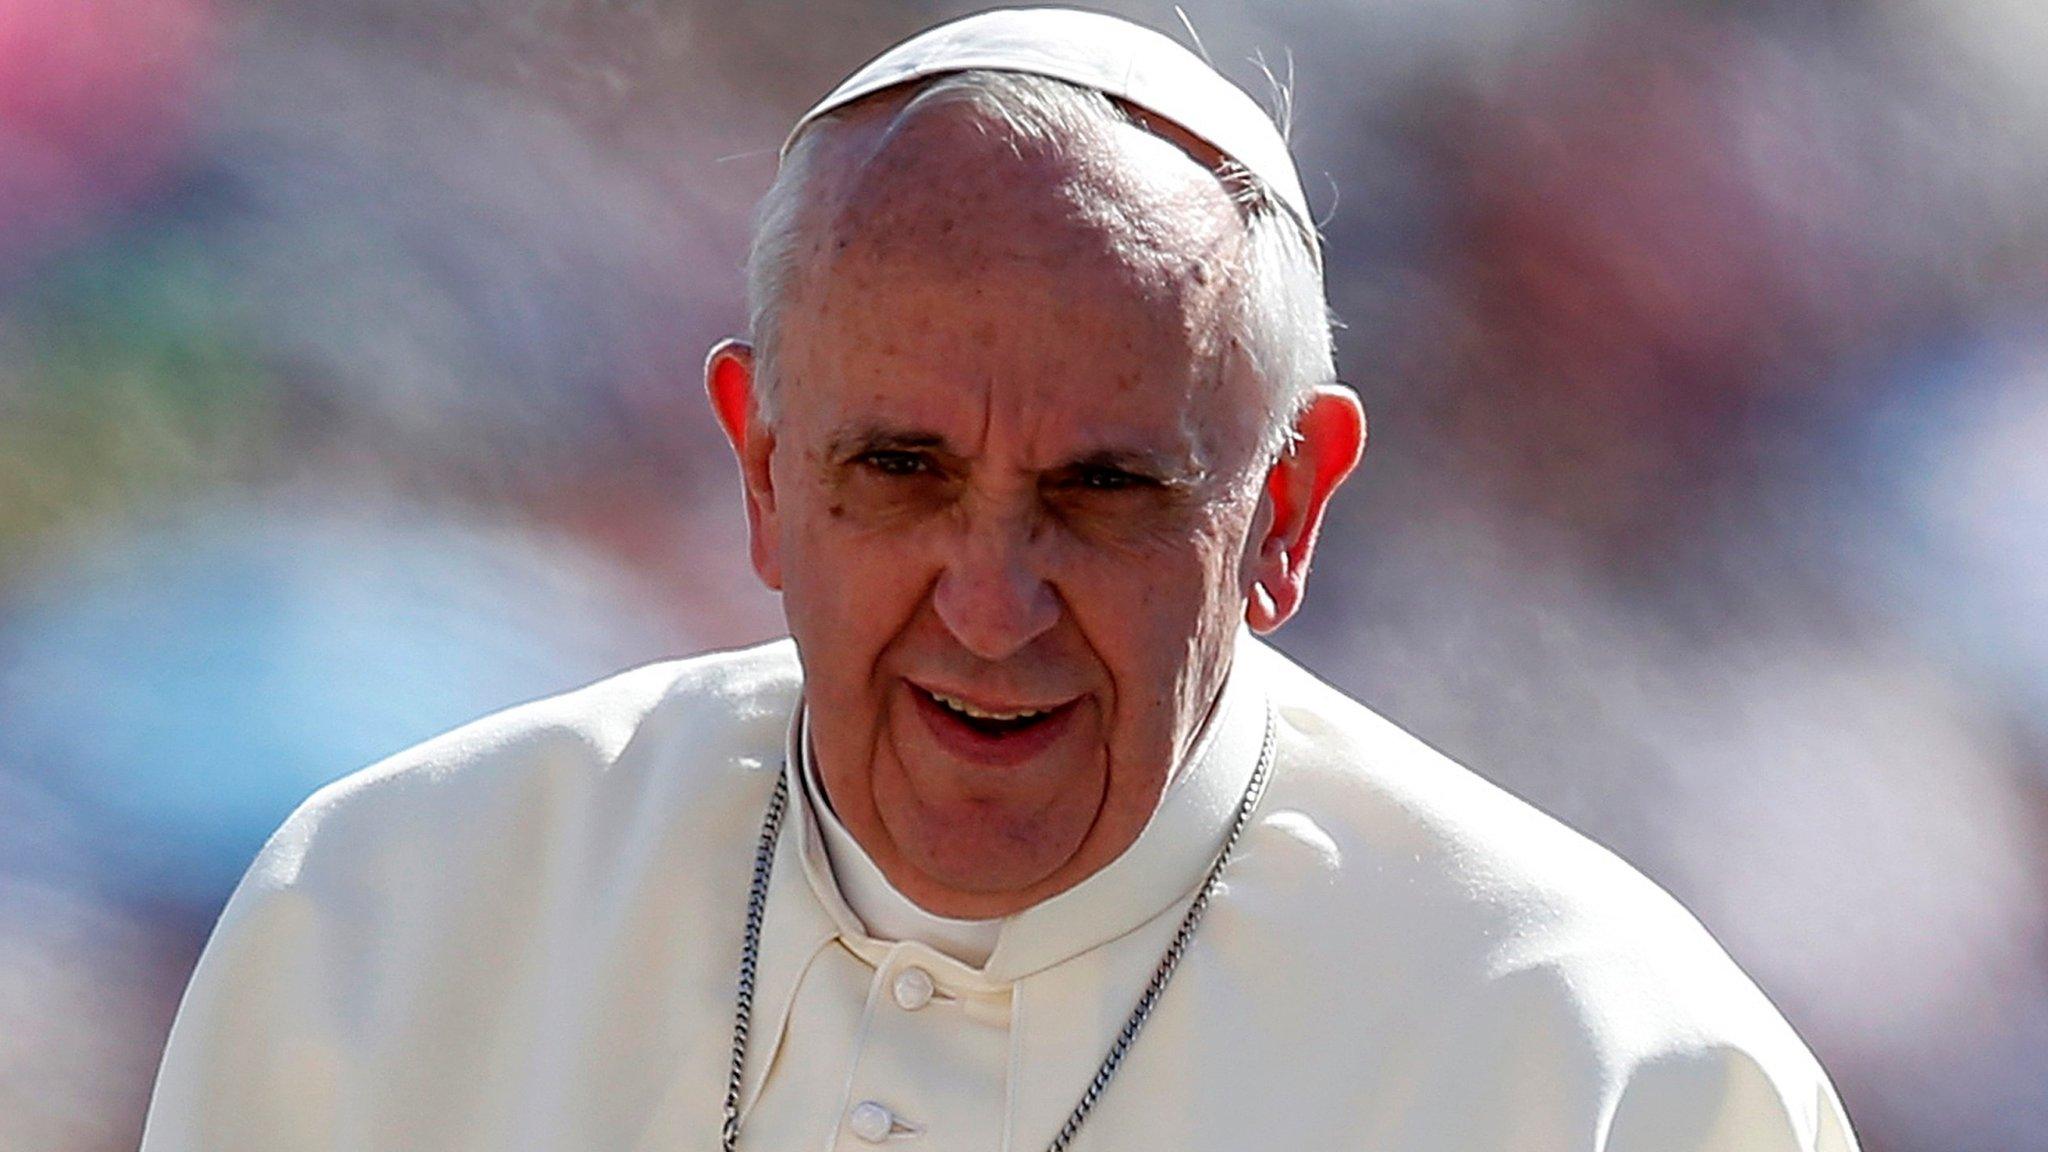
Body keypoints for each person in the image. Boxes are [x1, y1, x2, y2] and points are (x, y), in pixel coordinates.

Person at [142, 8, 1858, 1150]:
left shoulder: (1601, 1065)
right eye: (899, 475)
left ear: (1286, 513)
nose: (990, 604)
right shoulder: (391, 918)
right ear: (758, 464)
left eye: (1105, 494)